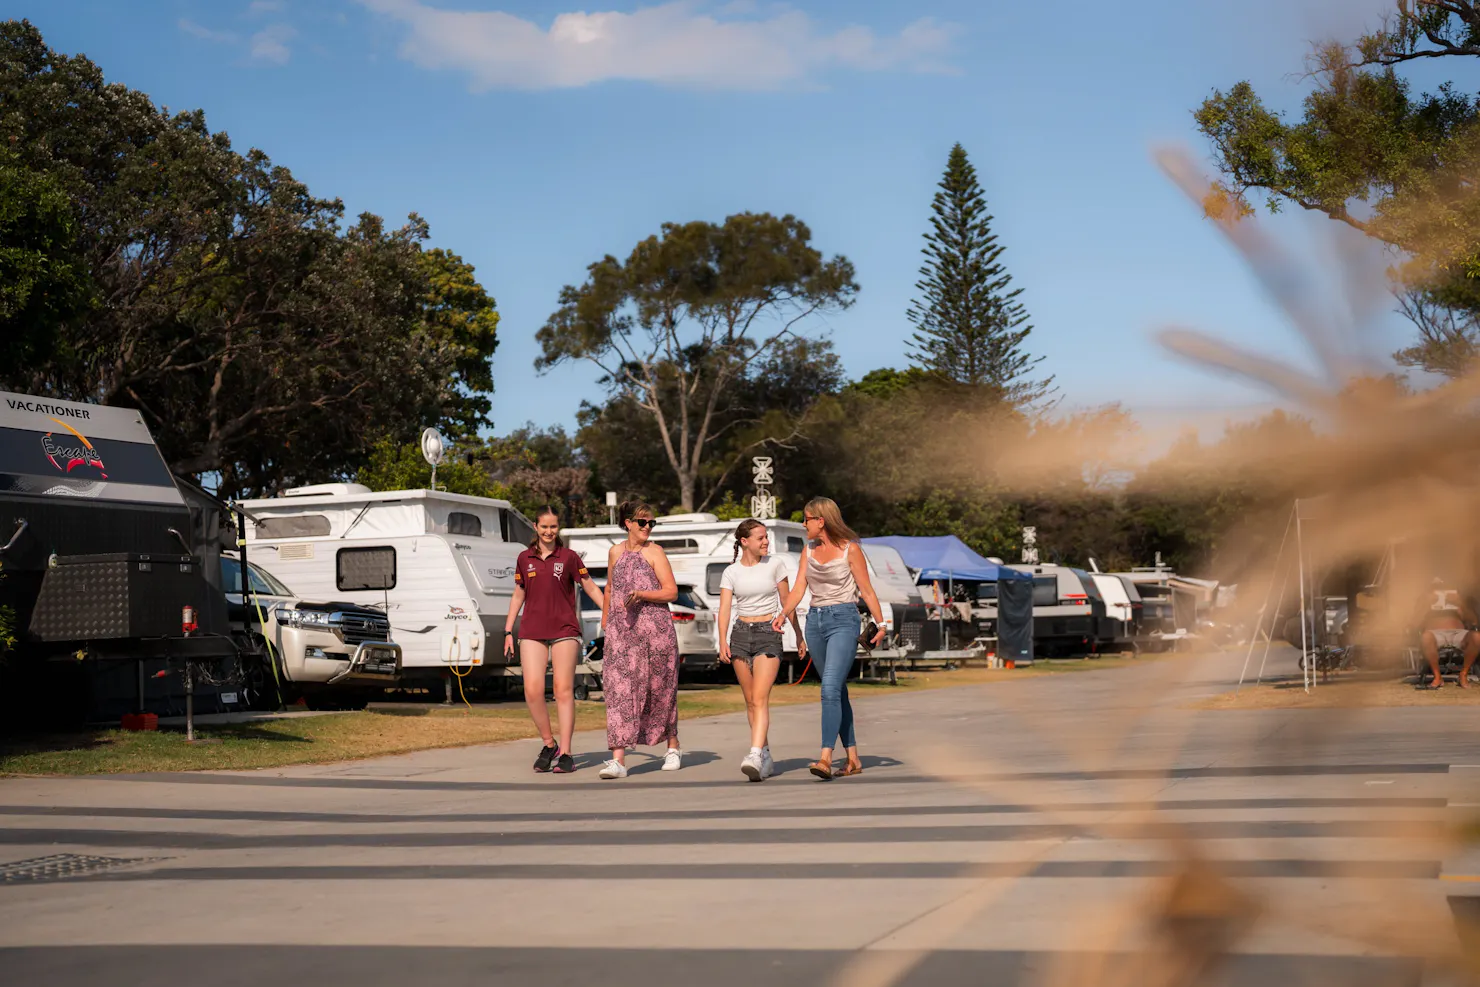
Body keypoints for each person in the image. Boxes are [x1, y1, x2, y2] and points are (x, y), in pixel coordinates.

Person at [774, 497, 887, 780]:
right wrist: (783, 613)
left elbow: (866, 590)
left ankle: (825, 756)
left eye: (807, 518)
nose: (804, 524)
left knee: (829, 689)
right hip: (815, 623)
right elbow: (798, 589)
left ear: (821, 521)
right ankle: (853, 758)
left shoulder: (851, 549)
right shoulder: (808, 550)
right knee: (836, 691)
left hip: (844, 620)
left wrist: (882, 624)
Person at [505, 506, 604, 773]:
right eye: (544, 527)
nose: (549, 531)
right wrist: (508, 631)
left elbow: (589, 586)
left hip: (564, 630)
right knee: (532, 690)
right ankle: (550, 745)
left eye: (553, 527)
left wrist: (609, 611)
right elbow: (518, 594)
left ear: (558, 528)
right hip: (531, 631)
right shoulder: (524, 558)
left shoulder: (569, 557)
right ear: (535, 527)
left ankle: (567, 753)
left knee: (562, 689)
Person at [598, 501, 682, 779]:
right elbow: (610, 588)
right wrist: (606, 621)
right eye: (643, 522)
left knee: (660, 690)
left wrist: (643, 594)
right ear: (628, 523)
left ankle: (672, 747)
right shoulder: (615, 552)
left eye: (651, 523)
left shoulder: (655, 552)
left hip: (655, 634)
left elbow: (671, 592)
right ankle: (618, 760)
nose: (648, 527)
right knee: (618, 693)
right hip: (621, 634)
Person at [718, 519, 805, 782]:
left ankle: (754, 753)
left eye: (766, 537)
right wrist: (722, 640)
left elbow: (787, 601)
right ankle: (765, 755)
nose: (766, 541)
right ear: (744, 542)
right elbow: (724, 609)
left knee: (759, 698)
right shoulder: (731, 572)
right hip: (740, 635)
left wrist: (798, 634)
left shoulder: (775, 564)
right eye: (760, 538)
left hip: (768, 633)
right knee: (750, 701)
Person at [1414, 577, 1480, 689]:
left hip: (1459, 633)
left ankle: (1463, 674)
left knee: (1476, 637)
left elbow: (1473, 621)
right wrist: (1426, 605)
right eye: (1437, 588)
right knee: (1426, 638)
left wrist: (1460, 604)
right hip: (1434, 634)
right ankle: (1437, 677)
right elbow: (1414, 623)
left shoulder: (1459, 601)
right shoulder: (1425, 601)